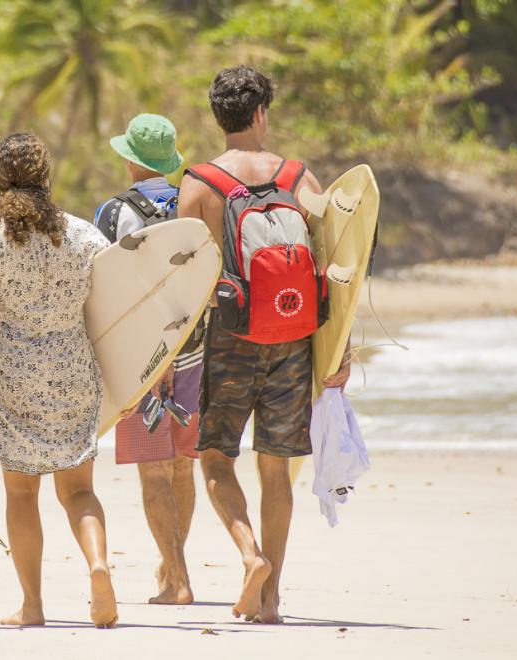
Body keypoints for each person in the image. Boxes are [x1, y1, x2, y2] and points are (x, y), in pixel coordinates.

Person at [177, 65, 351, 624]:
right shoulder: (300, 177)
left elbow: (182, 277)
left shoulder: (200, 183)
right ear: (260, 113)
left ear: (220, 117)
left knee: (215, 460)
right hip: (294, 340)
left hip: (230, 341)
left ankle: (250, 557)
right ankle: (272, 598)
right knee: (276, 471)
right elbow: (334, 268)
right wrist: (340, 349)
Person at [0, 132, 118, 629]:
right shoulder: (84, 235)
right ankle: (98, 564)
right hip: (72, 370)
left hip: (13, 375)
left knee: (22, 494)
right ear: (46, 177)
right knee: (79, 491)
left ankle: (33, 606)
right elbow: (116, 307)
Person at [93, 113, 200, 605]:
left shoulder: (114, 214)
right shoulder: (195, 203)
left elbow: (107, 291)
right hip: (197, 353)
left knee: (153, 472)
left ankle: (177, 579)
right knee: (183, 467)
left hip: (142, 358)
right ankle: (171, 564)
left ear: (129, 159)